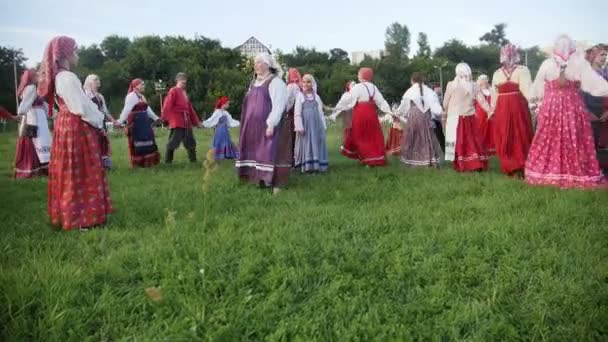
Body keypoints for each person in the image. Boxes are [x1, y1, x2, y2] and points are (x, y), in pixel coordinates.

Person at [38, 36, 112, 230]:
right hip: (75, 125)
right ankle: (81, 218)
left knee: (71, 168)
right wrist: (98, 120)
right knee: (80, 168)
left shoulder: (59, 77)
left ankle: (73, 215)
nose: (77, 55)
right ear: (65, 54)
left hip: (66, 124)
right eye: (75, 51)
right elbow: (80, 107)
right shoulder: (67, 77)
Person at [525, 35, 608, 189]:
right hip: (572, 107)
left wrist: (533, 100)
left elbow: (537, 87)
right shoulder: (579, 64)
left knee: (550, 137)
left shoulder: (548, 64)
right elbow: (594, 84)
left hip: (552, 107)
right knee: (573, 137)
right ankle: (574, 172)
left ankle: (549, 171)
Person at [236, 52, 288, 195]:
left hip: (266, 125)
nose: (256, 65)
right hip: (251, 126)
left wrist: (271, 123)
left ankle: (273, 181)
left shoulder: (276, 82)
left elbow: (279, 104)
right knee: (255, 152)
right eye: (255, 62)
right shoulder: (253, 82)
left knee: (268, 152)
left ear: (267, 64)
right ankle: (257, 178)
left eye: (259, 62)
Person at [330, 68, 391, 167]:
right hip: (371, 113)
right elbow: (381, 102)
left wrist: (336, 109)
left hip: (360, 114)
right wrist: (389, 111)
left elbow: (348, 101)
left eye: (359, 74)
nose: (358, 76)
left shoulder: (357, 87)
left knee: (362, 136)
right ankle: (375, 158)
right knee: (373, 135)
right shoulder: (374, 87)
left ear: (362, 75)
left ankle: (367, 159)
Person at [491, 44, 534, 177]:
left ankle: (513, 165)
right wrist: (533, 103)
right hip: (515, 106)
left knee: (509, 135)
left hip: (506, 107)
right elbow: (527, 89)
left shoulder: (498, 73)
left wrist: (492, 110)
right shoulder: (522, 70)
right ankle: (517, 165)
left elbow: (494, 94)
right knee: (517, 134)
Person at [443, 63, 489, 172]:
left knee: (456, 142)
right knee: (472, 140)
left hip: (454, 117)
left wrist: (444, 110)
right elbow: (482, 100)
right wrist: (489, 111)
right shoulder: (473, 85)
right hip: (470, 117)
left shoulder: (451, 85)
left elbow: (445, 102)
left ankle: (461, 164)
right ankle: (474, 162)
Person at [396, 72, 444, 167]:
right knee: (427, 137)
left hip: (414, 116)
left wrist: (397, 113)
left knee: (413, 138)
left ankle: (413, 160)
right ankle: (429, 160)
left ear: (412, 80)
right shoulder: (429, 91)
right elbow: (435, 106)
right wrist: (441, 113)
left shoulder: (410, 91)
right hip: (425, 116)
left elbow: (403, 106)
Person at [14, 69, 52, 179]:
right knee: (37, 140)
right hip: (34, 118)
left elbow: (44, 105)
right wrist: (22, 113)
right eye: (36, 75)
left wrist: (53, 114)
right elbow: (25, 104)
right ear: (31, 77)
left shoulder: (35, 89)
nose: (38, 76)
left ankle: (42, 166)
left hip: (39, 117)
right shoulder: (31, 88)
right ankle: (34, 167)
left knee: (42, 141)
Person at [117, 79, 161, 168]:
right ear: (135, 86)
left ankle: (147, 162)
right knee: (137, 142)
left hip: (144, 122)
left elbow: (147, 109)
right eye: (142, 84)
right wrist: (120, 121)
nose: (143, 86)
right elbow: (126, 110)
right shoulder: (131, 96)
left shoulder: (141, 96)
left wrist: (156, 118)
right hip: (136, 123)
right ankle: (139, 163)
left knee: (148, 141)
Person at [161, 72, 201, 163]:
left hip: (186, 121)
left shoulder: (184, 93)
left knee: (190, 141)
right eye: (182, 82)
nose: (184, 84)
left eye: (185, 82)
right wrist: (164, 118)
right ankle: (168, 161)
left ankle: (193, 160)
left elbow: (190, 109)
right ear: (177, 81)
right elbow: (167, 104)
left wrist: (197, 122)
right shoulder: (173, 90)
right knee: (174, 141)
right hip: (177, 120)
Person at [293, 74, 328, 173]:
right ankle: (307, 166)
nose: (305, 84)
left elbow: (320, 112)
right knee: (307, 143)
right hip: (306, 126)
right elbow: (297, 113)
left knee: (316, 143)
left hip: (316, 125)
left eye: (308, 82)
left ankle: (316, 165)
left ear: (312, 84)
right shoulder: (300, 96)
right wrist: (299, 126)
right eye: (304, 82)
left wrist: (323, 126)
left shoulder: (316, 97)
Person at [582, 44, 608, 173]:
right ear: (593, 56)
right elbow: (580, 95)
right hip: (590, 112)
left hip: (605, 113)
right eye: (601, 54)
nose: (604, 57)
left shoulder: (607, 73)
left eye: (606, 55)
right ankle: (591, 170)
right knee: (590, 142)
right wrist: (587, 112)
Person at [202, 96, 240, 160]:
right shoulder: (217, 112)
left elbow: (231, 121)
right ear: (223, 104)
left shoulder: (226, 113)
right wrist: (204, 123)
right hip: (219, 131)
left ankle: (226, 154)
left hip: (225, 131)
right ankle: (219, 155)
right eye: (227, 104)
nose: (228, 105)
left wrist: (239, 122)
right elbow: (211, 120)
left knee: (226, 141)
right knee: (219, 142)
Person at [328, 81, 356, 147]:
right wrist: (334, 115)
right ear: (349, 86)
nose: (355, 86)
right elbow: (340, 105)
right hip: (348, 113)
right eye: (353, 85)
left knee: (356, 129)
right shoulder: (346, 95)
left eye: (355, 85)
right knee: (348, 129)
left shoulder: (357, 94)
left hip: (356, 113)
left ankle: (354, 145)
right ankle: (346, 144)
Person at [474, 74, 495, 155]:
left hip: (491, 112)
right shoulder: (477, 91)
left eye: (486, 80)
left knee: (492, 130)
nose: (485, 82)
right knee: (482, 130)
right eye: (483, 80)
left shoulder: (491, 90)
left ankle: (492, 148)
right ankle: (482, 147)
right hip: (481, 113)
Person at [285, 68, 302, 156]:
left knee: (292, 135)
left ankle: (293, 156)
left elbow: (288, 102)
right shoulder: (301, 85)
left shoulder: (292, 86)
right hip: (301, 114)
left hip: (293, 114)